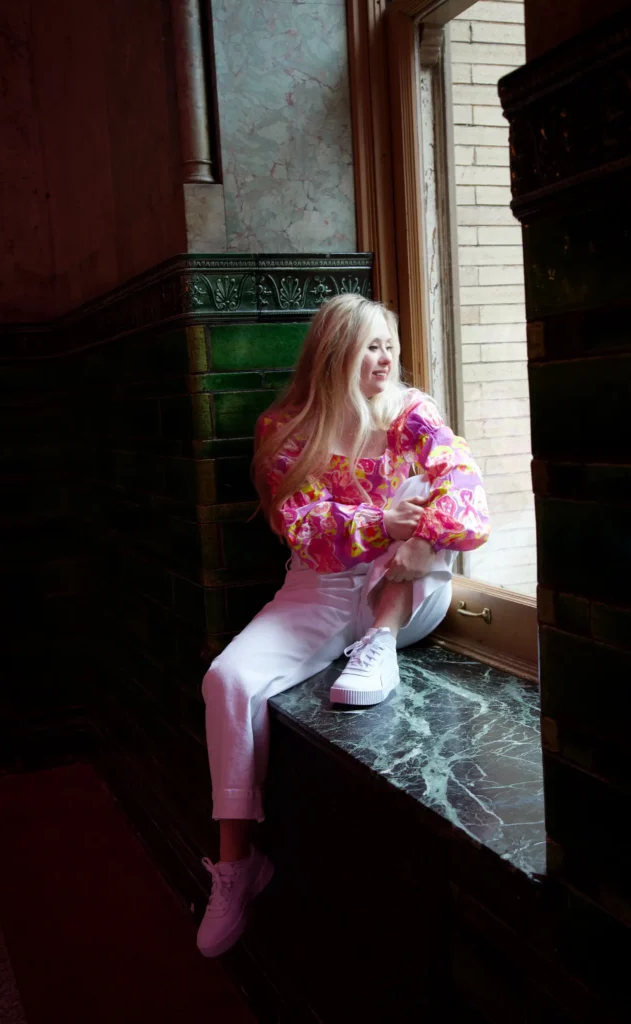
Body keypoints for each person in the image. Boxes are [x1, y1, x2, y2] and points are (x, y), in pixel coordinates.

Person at [196, 294, 490, 958]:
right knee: (227, 681)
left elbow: (468, 499)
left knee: (422, 496)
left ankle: (378, 642)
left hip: (406, 590)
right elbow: (299, 526)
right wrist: (378, 522)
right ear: (333, 354)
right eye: (368, 346)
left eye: (389, 344)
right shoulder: (285, 429)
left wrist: (401, 528)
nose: (384, 359)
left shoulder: (412, 415)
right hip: (318, 589)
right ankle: (236, 864)